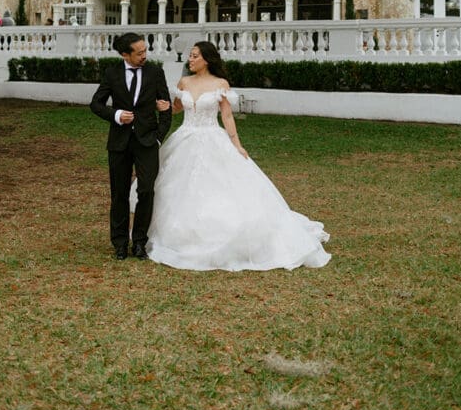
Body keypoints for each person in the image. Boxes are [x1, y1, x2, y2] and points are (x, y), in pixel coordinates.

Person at [141, 41, 331, 271]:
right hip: (186, 138)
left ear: (207, 59)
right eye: (190, 56)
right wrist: (162, 107)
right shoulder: (184, 82)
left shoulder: (220, 84)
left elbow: (227, 116)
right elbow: (178, 108)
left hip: (212, 136)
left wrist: (237, 145)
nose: (190, 60)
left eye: (194, 56)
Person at [90, 32, 172, 261]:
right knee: (119, 194)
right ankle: (119, 243)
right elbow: (95, 104)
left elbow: (165, 109)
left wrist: (158, 137)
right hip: (119, 143)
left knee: (146, 190)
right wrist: (115, 114)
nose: (144, 55)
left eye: (145, 51)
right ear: (125, 54)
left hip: (147, 142)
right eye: (139, 53)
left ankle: (139, 242)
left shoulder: (156, 73)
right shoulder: (112, 73)